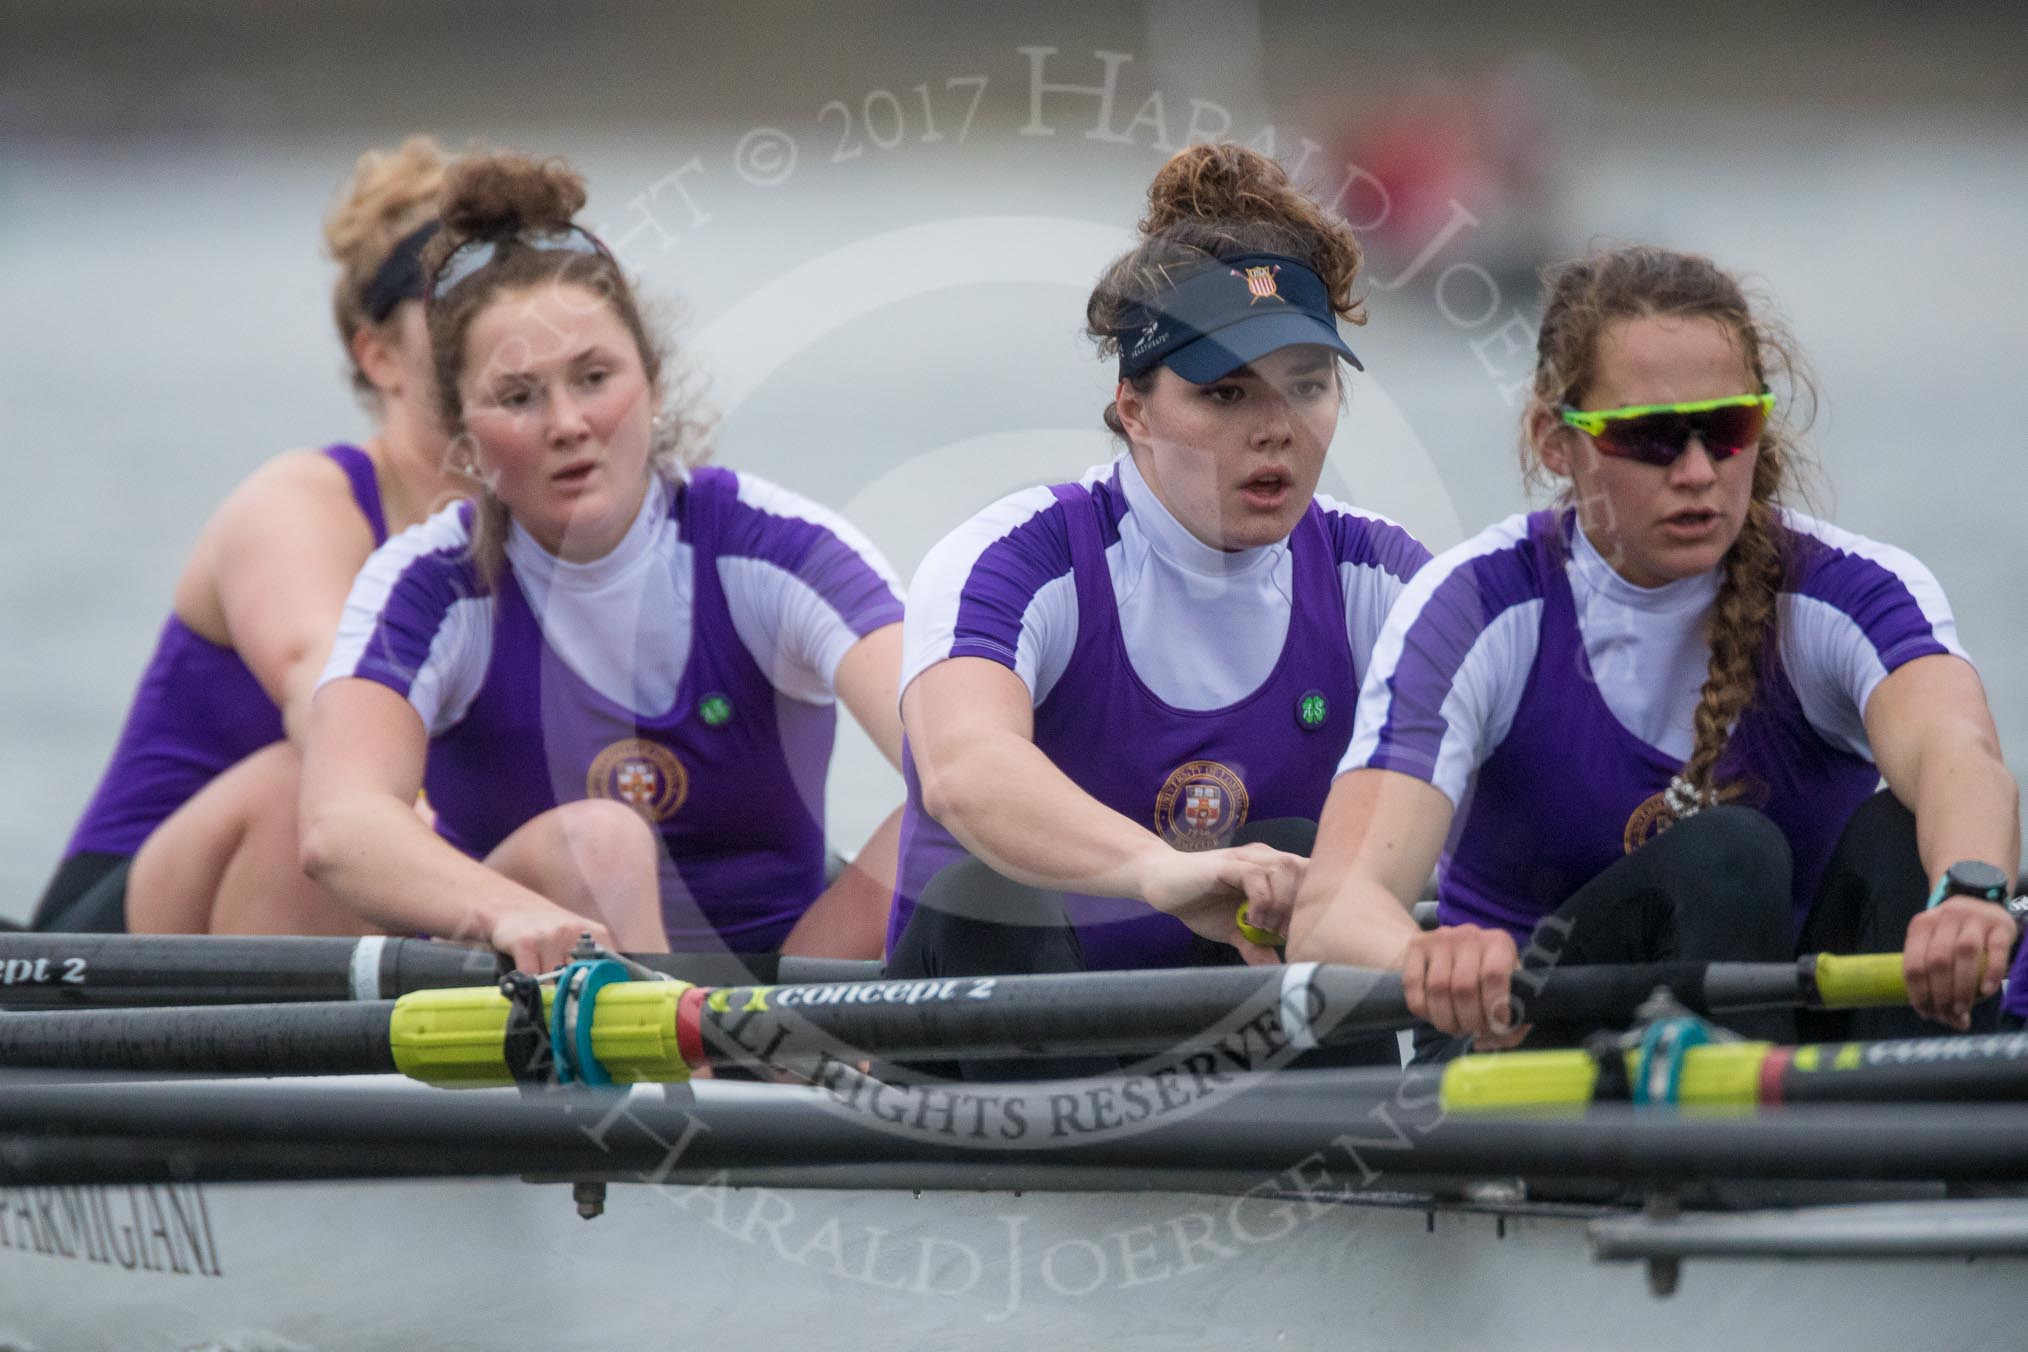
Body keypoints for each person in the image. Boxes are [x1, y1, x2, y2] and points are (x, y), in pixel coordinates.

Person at [1289, 244, 2019, 1053]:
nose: (1700, 471)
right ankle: (1758, 1163)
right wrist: (1423, 956)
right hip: (1525, 1055)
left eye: (1728, 429)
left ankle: (1894, 1142)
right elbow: (1331, 912)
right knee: (1727, 852)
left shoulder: (1851, 589)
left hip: (1797, 1058)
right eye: (1652, 438)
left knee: (1905, 837)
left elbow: (1960, 753)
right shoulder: (1475, 609)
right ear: (1552, 440)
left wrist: (1969, 892)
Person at [885, 143, 1429, 1074]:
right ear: (1134, 408)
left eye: (1308, 385)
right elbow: (966, 770)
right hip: (1002, 1051)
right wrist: (1161, 872)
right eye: (1225, 393)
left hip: (1252, 1057)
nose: (1277, 429)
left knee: (1314, 862)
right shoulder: (1018, 559)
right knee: (992, 893)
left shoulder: (1376, 572)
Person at [302, 151, 906, 975]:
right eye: (518, 396)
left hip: (775, 1015)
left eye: (594, 378)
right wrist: (510, 911)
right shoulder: (429, 585)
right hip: (536, 1012)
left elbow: (955, 761)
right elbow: (340, 826)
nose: (566, 423)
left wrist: (798, 1004)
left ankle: (743, 1061)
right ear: (465, 436)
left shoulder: (779, 548)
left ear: (651, 387)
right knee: (603, 842)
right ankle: (679, 1078)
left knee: (972, 803)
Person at [32, 136, 466, 936]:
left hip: (382, 911)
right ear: (378, 355)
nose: (497, 324)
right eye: (456, 295)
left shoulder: (568, 528)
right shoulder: (296, 502)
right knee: (308, 784)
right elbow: (318, 680)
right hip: (102, 965)